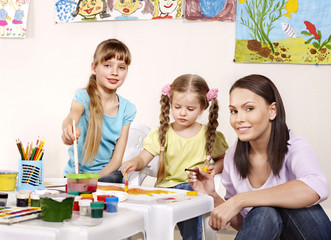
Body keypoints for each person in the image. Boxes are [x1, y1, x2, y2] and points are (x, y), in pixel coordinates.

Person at [188, 74, 331, 239]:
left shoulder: (295, 147)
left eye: (249, 108)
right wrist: (213, 195)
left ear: (272, 111)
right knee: (264, 212)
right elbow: (246, 225)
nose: (239, 119)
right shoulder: (233, 158)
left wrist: (241, 200)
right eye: (234, 111)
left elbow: (315, 187)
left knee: (286, 201)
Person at [121, 74, 228, 240]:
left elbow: (223, 159)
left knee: (190, 195)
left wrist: (216, 168)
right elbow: (143, 158)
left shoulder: (209, 136)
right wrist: (134, 162)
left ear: (202, 109)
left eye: (190, 109)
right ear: (170, 103)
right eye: (177, 107)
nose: (182, 113)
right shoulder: (162, 133)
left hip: (195, 190)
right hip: (164, 191)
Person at [62, 39, 136, 183]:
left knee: (113, 179)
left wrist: (94, 179)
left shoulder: (128, 109)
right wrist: (67, 129)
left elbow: (116, 160)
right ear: (94, 68)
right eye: (107, 65)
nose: (114, 72)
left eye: (122, 67)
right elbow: (73, 115)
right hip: (77, 175)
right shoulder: (83, 97)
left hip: (107, 175)